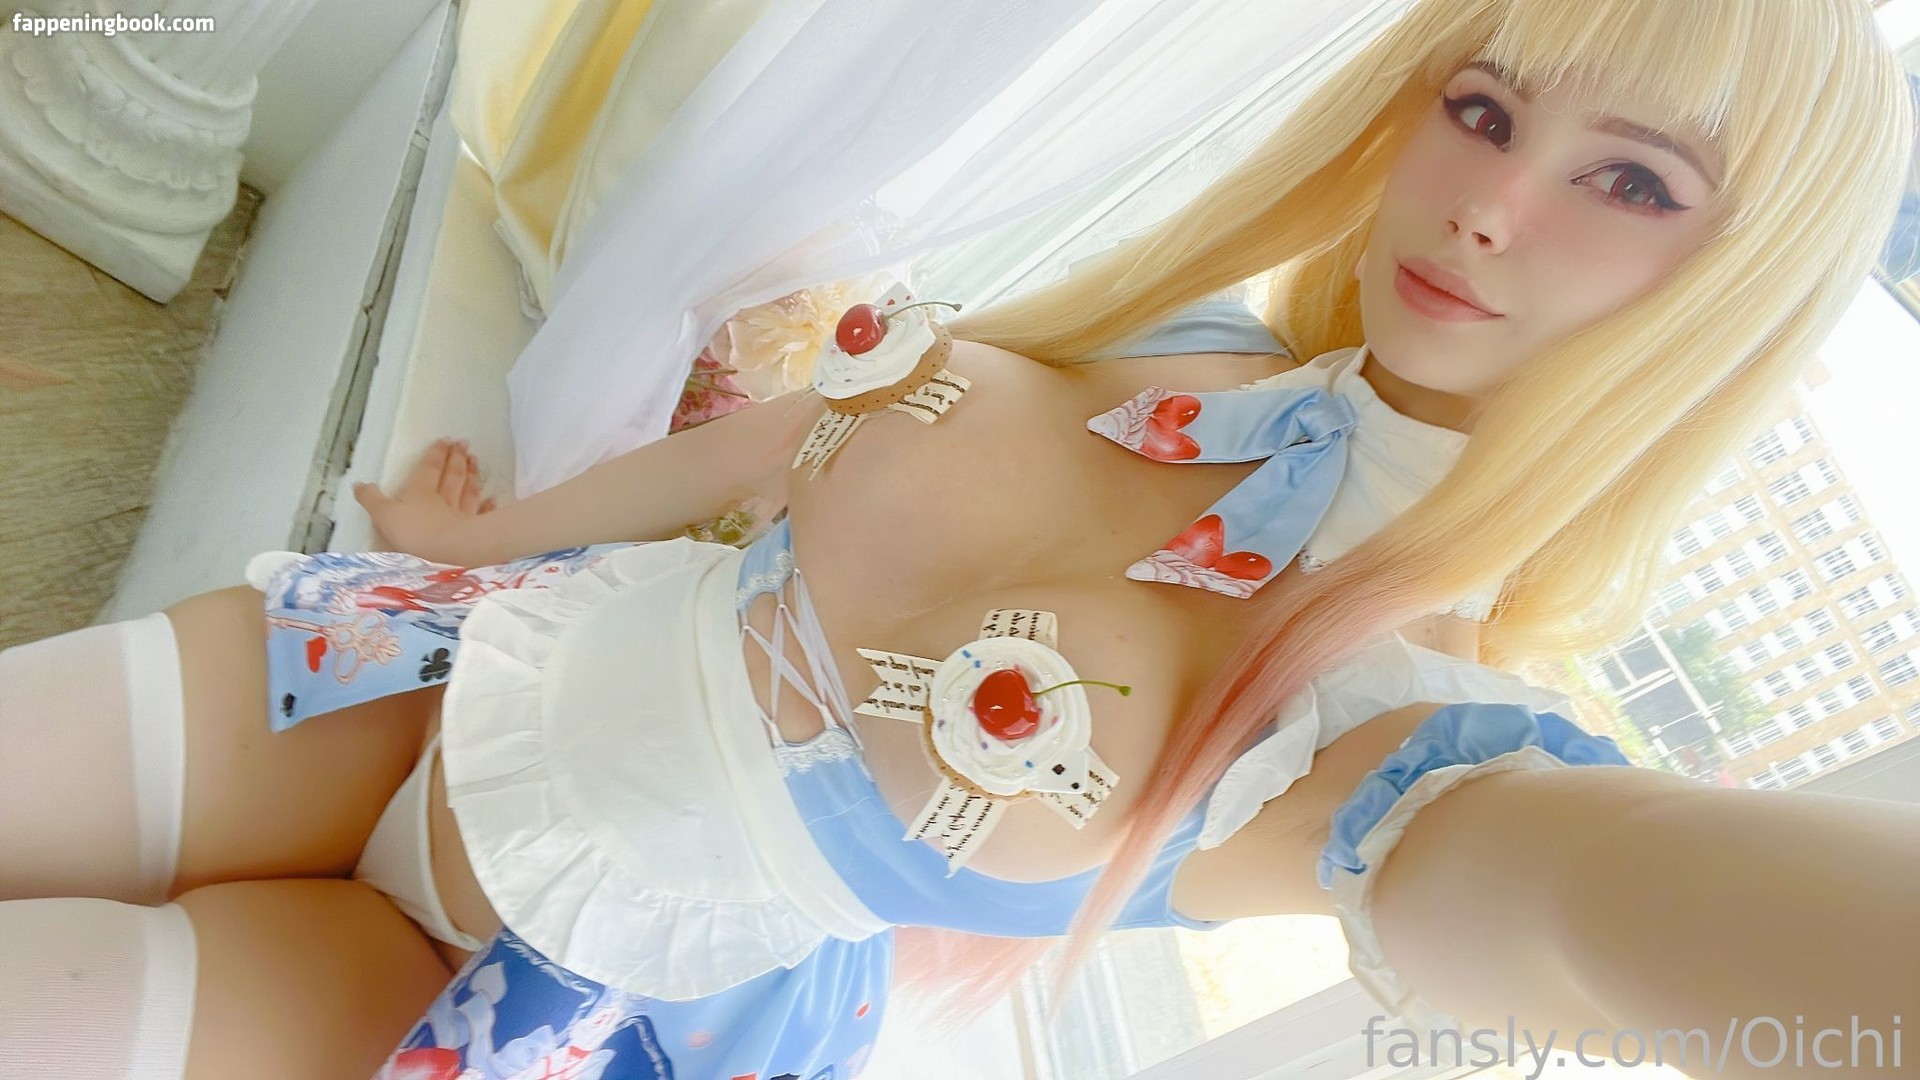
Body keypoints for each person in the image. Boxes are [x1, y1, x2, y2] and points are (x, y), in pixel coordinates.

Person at [2, 0, 1915, 1076]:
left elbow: (1599, 904)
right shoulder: (1201, 339)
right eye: (1486, 110)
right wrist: (498, 530)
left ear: (1729, 290)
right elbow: (791, 441)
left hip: (555, 978)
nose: (1494, 204)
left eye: (1630, 182)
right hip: (428, 669)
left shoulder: (1402, 713)